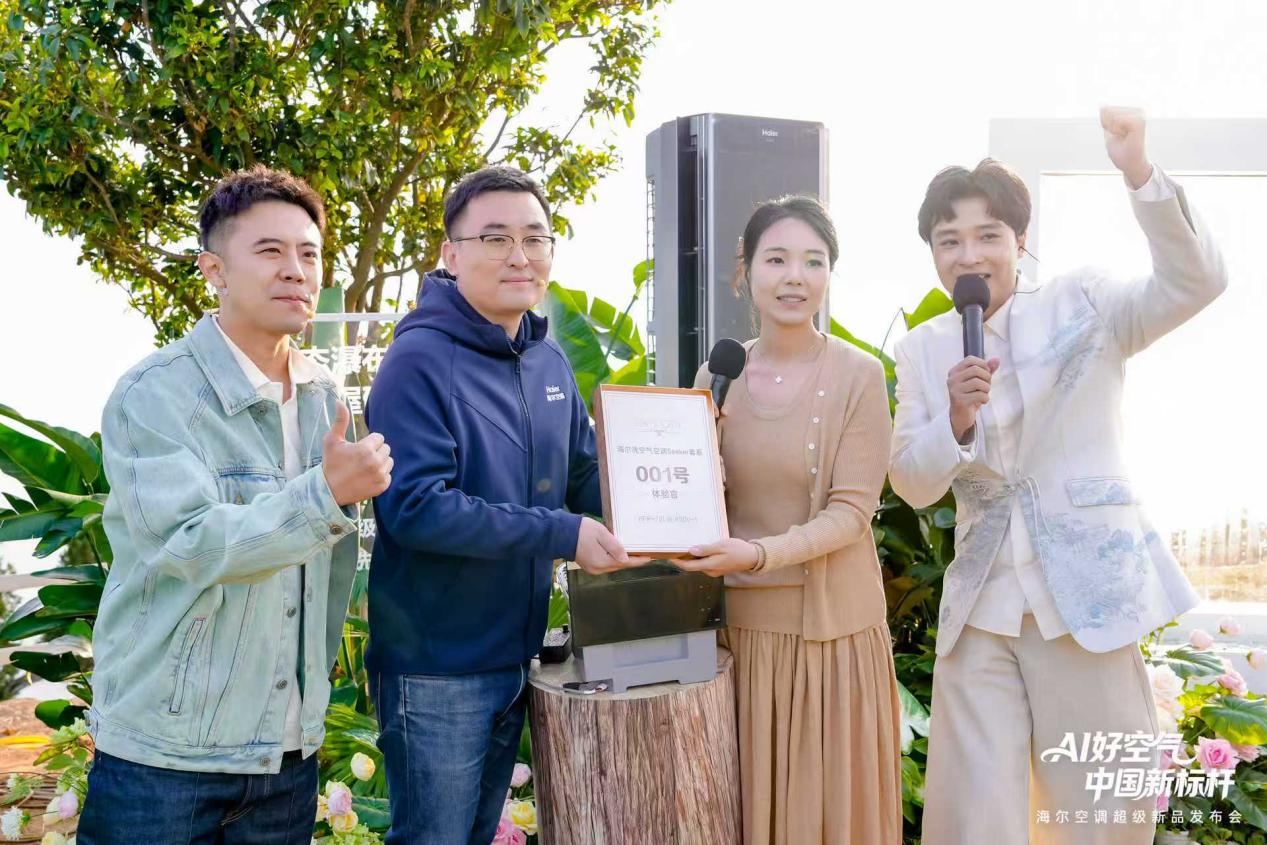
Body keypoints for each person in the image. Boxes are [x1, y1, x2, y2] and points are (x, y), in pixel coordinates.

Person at [890, 108, 1227, 844]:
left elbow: (1196, 279)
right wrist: (954, 419)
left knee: (1096, 813)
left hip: (1087, 599)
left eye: (987, 235)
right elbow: (911, 481)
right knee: (973, 818)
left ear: (1020, 240)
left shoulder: (1086, 301)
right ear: (932, 252)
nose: (968, 255)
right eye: (948, 240)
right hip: (982, 610)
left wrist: (1139, 172)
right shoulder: (921, 350)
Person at [80, 166, 392, 843]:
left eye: (308, 253)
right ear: (213, 270)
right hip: (165, 758)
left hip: (287, 757)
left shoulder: (324, 396)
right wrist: (325, 494)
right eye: (270, 251)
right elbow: (192, 543)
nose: (295, 270)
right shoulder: (154, 394)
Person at [365, 165, 647, 844]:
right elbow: (416, 508)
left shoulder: (547, 358)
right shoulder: (416, 361)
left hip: (516, 657)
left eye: (535, 238)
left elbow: (582, 472)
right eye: (495, 238)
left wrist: (663, 501)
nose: (519, 255)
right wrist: (563, 533)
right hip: (436, 665)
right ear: (451, 253)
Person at [679, 195, 902, 844]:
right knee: (743, 814)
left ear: (830, 272)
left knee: (820, 819)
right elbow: (695, 494)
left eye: (813, 260)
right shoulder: (716, 372)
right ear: (745, 269)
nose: (795, 277)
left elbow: (852, 513)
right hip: (737, 639)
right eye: (776, 259)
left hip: (828, 641)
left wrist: (757, 555)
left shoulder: (859, 375)